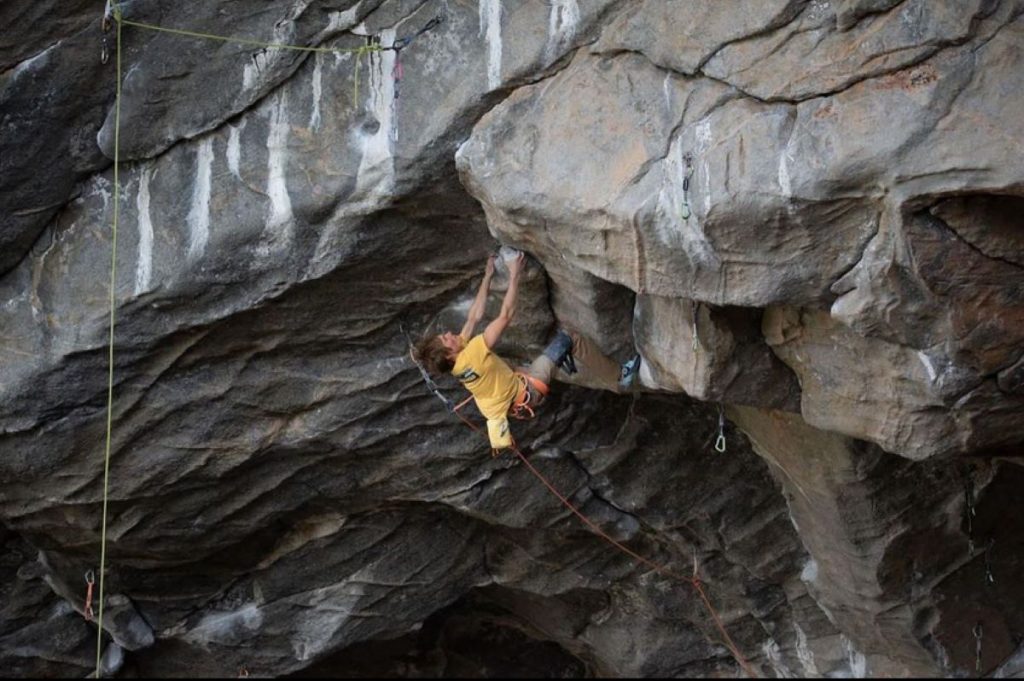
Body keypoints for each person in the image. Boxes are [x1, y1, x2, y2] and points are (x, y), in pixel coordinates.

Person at [413, 251, 641, 451]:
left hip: (516, 390)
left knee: (519, 361)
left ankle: (571, 365)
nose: (450, 334)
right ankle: (618, 378)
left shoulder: (458, 362)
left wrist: (488, 275)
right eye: (447, 339)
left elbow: (473, 317)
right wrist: (514, 273)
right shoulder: (472, 355)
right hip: (529, 388)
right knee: (569, 337)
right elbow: (506, 315)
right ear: (449, 354)